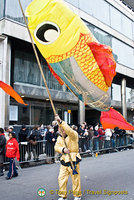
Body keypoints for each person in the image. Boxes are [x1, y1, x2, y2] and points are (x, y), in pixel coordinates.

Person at [55, 114, 82, 200]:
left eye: (61, 129)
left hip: (73, 159)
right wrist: (63, 149)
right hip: (64, 160)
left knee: (75, 179)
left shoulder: (73, 135)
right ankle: (63, 196)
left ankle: (77, 195)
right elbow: (56, 147)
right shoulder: (59, 138)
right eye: (59, 129)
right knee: (61, 178)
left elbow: (69, 130)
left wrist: (60, 121)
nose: (60, 131)